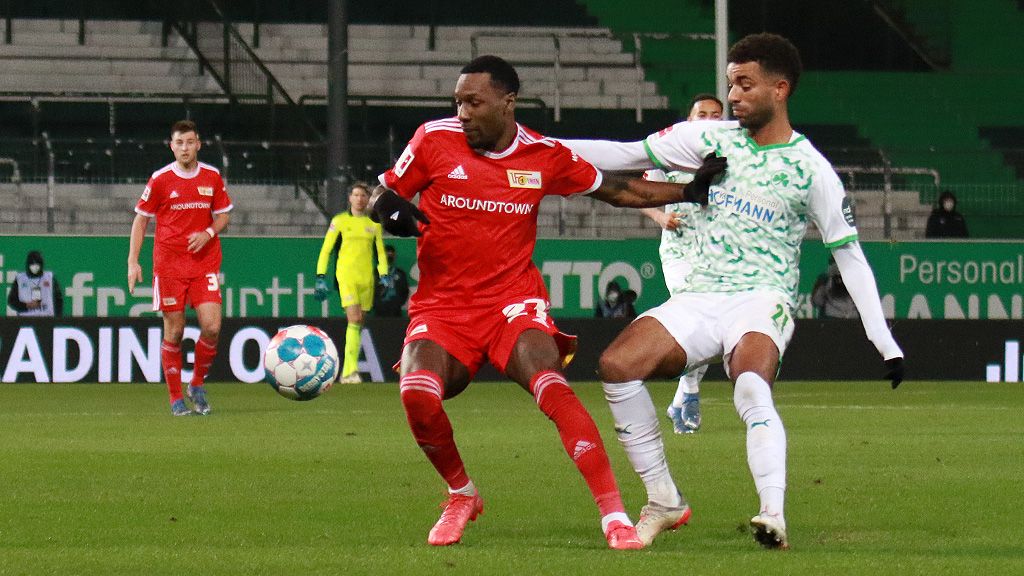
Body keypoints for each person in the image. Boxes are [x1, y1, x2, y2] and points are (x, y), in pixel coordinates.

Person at [559, 33, 905, 550]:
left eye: (745, 84)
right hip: (699, 297)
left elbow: (849, 254)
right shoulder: (709, 139)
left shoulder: (811, 169)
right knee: (617, 366)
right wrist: (531, 145)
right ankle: (663, 499)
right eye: (730, 84)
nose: (734, 95)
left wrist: (883, 339)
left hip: (762, 297)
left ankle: (772, 513)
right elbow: (626, 153)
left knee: (750, 385)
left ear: (780, 89)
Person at [366, 55, 724, 549]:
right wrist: (389, 211)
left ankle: (615, 516)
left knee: (550, 383)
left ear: (507, 102)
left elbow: (617, 189)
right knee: (417, 393)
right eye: (458, 102)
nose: (462, 113)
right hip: (442, 308)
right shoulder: (433, 139)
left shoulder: (544, 155)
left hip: (512, 303)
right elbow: (380, 196)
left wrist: (687, 190)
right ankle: (461, 494)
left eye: (474, 103)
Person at [127, 120, 232, 416]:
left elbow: (224, 216)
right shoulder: (160, 179)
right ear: (172, 147)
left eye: (189, 142)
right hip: (170, 265)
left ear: (198, 144)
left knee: (212, 326)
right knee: (174, 331)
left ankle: (196, 384)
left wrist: (208, 232)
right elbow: (141, 220)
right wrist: (133, 261)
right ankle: (176, 398)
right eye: (179, 143)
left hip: (204, 263)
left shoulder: (211, 176)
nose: (185, 148)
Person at [640, 93, 725, 435]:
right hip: (679, 252)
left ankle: (680, 399)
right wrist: (660, 217)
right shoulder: (669, 152)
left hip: (717, 254)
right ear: (689, 120)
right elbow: (641, 193)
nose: (709, 120)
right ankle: (689, 393)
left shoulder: (732, 157)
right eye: (702, 114)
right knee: (695, 318)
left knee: (713, 330)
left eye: (716, 115)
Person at [314, 183, 389, 383]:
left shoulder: (374, 224)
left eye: (363, 195)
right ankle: (349, 372)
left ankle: (349, 370)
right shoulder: (339, 221)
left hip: (366, 279)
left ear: (367, 199)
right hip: (346, 276)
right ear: (350, 198)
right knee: (354, 319)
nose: (359, 199)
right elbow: (326, 249)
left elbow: (380, 252)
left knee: (359, 322)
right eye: (355, 195)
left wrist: (384, 274)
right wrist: (321, 275)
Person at [7, 250, 64, 316]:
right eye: (32, 264)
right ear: (28, 265)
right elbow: (12, 301)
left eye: (37, 264)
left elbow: (58, 299)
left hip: (46, 317)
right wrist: (26, 306)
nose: (35, 267)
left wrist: (58, 318)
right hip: (25, 318)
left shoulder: (49, 277)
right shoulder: (20, 279)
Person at [373, 244, 410, 317]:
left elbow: (405, 290)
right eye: (387, 254)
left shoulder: (400, 273)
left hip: (395, 309)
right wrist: (376, 303)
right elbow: (371, 289)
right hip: (379, 309)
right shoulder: (376, 273)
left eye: (391, 254)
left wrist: (398, 302)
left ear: (394, 256)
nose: (389, 257)